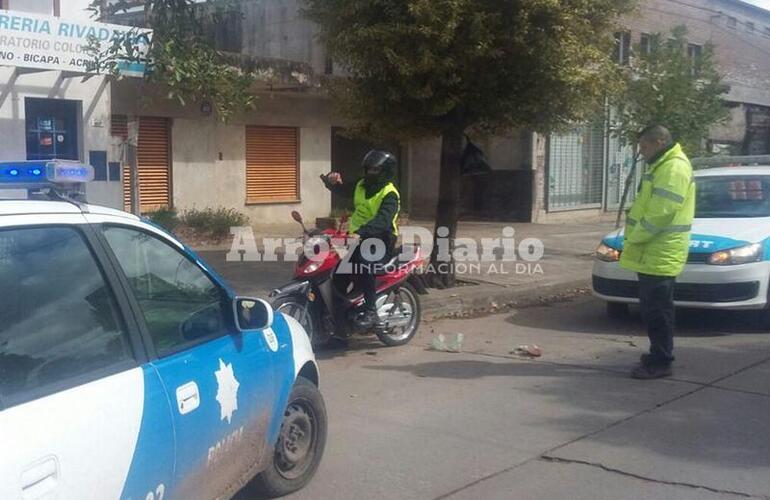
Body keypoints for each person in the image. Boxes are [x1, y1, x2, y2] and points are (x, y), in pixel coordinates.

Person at [620, 125, 695, 380]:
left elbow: (662, 212)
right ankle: (657, 355)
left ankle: (661, 361)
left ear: (660, 142)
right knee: (654, 308)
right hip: (655, 250)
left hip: (660, 250)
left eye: (644, 146)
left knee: (658, 311)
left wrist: (636, 237)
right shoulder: (663, 165)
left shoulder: (673, 168)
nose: (641, 152)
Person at [323, 150, 401, 329]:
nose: (371, 173)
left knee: (364, 264)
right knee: (338, 272)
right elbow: (342, 189)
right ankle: (340, 319)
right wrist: (331, 180)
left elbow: (383, 220)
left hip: (381, 238)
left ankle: (370, 310)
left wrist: (362, 232)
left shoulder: (390, 194)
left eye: (376, 170)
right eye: (369, 169)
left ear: (385, 171)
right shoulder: (361, 185)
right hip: (357, 237)